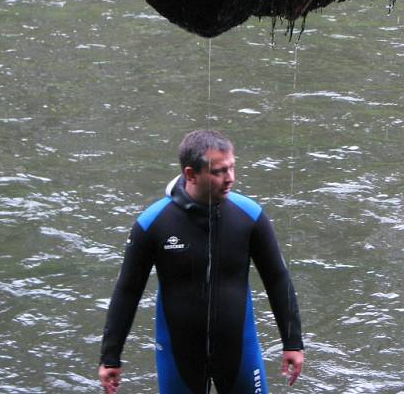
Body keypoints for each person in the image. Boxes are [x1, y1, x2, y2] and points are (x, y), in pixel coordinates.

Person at [98, 129, 304, 394]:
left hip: (238, 351)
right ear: (190, 174)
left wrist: (293, 342)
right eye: (218, 171)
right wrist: (110, 356)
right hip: (179, 356)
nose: (230, 178)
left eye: (232, 168)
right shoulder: (153, 223)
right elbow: (128, 290)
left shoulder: (249, 216)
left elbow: (277, 278)